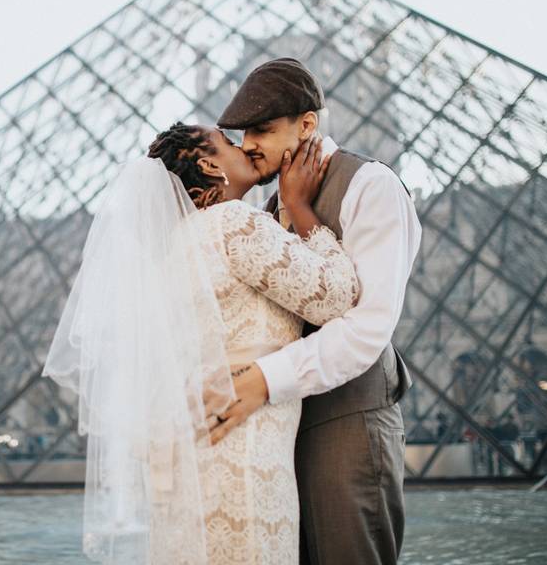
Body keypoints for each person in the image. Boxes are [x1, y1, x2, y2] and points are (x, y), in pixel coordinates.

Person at [43, 117, 360, 564]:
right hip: (244, 451)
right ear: (211, 168)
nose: (245, 146)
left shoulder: (168, 255)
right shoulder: (232, 223)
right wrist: (300, 207)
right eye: (229, 142)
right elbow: (337, 296)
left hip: (191, 458)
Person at [210, 57, 423, 565]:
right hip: (271, 429)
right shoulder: (261, 212)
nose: (249, 145)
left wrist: (263, 379)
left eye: (263, 129)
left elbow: (367, 328)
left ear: (307, 125)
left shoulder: (371, 185)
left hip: (344, 423)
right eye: (243, 134)